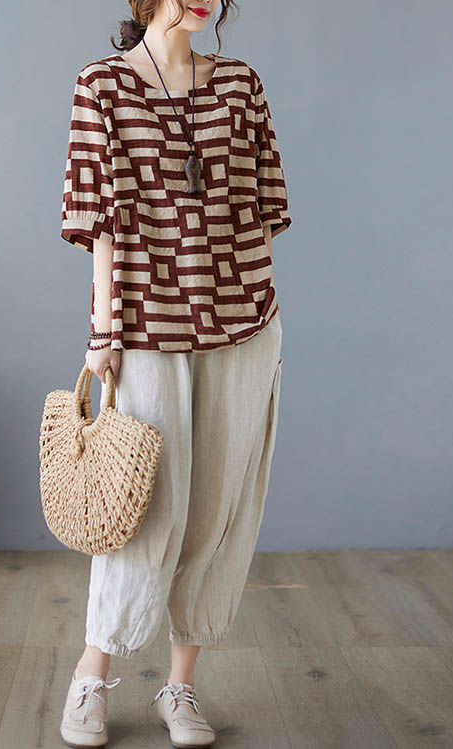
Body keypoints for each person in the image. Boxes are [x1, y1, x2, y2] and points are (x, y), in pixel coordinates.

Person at [58, 0, 291, 746]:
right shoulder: (102, 84)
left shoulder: (241, 83)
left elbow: (265, 203)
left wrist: (254, 301)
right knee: (146, 510)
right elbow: (98, 216)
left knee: (217, 511)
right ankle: (92, 674)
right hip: (145, 324)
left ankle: (180, 687)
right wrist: (103, 331)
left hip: (242, 324)